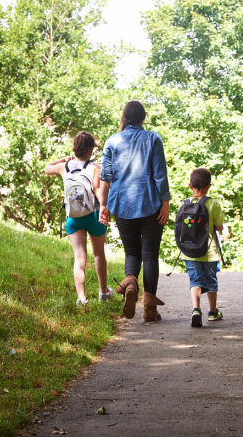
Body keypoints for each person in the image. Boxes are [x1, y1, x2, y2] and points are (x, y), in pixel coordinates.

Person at [98, 100, 170, 322]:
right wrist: (165, 203)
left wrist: (104, 205)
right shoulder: (153, 138)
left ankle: (130, 282)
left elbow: (105, 178)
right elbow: (160, 174)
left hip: (121, 204)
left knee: (132, 252)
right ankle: (149, 309)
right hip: (150, 204)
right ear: (143, 117)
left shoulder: (112, 140)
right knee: (150, 255)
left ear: (124, 117)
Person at [44, 131, 113, 306]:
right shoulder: (95, 167)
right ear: (90, 149)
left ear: (75, 148)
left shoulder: (64, 167)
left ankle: (81, 298)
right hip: (94, 215)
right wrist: (104, 206)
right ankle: (103, 293)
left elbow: (46, 168)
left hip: (73, 217)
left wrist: (63, 160)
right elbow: (97, 190)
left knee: (79, 257)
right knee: (98, 254)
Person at [180, 168, 225, 328]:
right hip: (210, 252)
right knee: (211, 281)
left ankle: (196, 310)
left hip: (190, 252)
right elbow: (220, 228)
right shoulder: (213, 203)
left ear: (190, 186)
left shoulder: (184, 204)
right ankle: (213, 312)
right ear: (209, 186)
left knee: (195, 281)